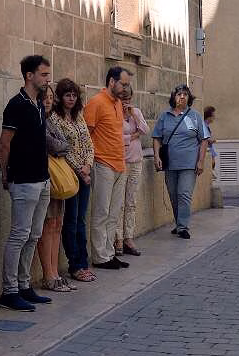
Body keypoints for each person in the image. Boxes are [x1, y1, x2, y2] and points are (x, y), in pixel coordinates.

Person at [0, 55, 54, 311]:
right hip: (24, 180)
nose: (47, 79)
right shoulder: (15, 105)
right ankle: (9, 290)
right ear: (29, 75)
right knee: (19, 234)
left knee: (34, 234)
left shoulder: (40, 105)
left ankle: (24, 284)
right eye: (43, 74)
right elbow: (4, 143)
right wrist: (6, 173)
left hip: (42, 179)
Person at [84, 67, 133, 271]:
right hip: (102, 163)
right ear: (111, 82)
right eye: (123, 84)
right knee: (101, 212)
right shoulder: (96, 102)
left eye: (127, 84)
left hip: (120, 164)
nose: (125, 88)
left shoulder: (118, 103)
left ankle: (109, 253)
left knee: (114, 213)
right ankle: (99, 256)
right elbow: (87, 135)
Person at [51, 79, 95, 282]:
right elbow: (62, 148)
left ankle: (83, 262)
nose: (71, 98)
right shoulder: (54, 118)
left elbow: (88, 143)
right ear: (60, 97)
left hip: (85, 173)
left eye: (74, 95)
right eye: (67, 95)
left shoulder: (79, 116)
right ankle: (74, 265)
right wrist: (79, 170)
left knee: (81, 220)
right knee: (71, 220)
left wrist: (88, 165)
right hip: (69, 175)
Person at [152, 84, 209, 240]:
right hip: (170, 163)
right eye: (178, 94)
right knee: (173, 195)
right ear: (173, 97)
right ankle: (179, 223)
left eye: (185, 94)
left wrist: (201, 161)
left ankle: (183, 227)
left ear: (189, 98)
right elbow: (157, 137)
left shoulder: (195, 116)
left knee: (184, 194)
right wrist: (156, 156)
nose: (182, 97)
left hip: (189, 163)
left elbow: (204, 140)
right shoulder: (165, 116)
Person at [36, 84, 73, 292]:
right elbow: (55, 144)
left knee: (57, 224)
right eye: (45, 97)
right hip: (47, 177)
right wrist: (60, 146)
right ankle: (48, 274)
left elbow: (63, 144)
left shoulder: (52, 120)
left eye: (51, 97)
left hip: (58, 179)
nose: (48, 101)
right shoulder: (40, 120)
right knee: (47, 226)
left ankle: (55, 271)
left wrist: (60, 146)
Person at [116, 82, 150, 257]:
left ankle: (129, 237)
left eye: (128, 99)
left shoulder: (135, 112)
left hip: (136, 162)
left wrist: (134, 117)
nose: (125, 102)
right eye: (123, 99)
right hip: (121, 162)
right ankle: (118, 239)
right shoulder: (114, 113)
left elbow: (145, 129)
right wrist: (133, 136)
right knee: (119, 204)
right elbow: (117, 138)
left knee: (131, 202)